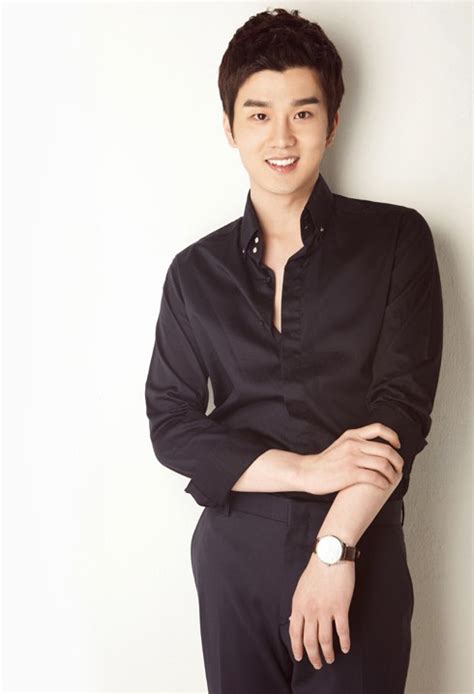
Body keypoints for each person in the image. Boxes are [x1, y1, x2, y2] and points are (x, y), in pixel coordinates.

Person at [144, 8, 443, 693]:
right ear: (230, 127)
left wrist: (334, 549)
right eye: (258, 114)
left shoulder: (397, 241)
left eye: (302, 113)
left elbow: (402, 409)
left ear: (332, 123)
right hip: (234, 555)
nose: (281, 137)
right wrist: (308, 470)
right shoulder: (194, 272)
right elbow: (171, 424)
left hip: (357, 545)